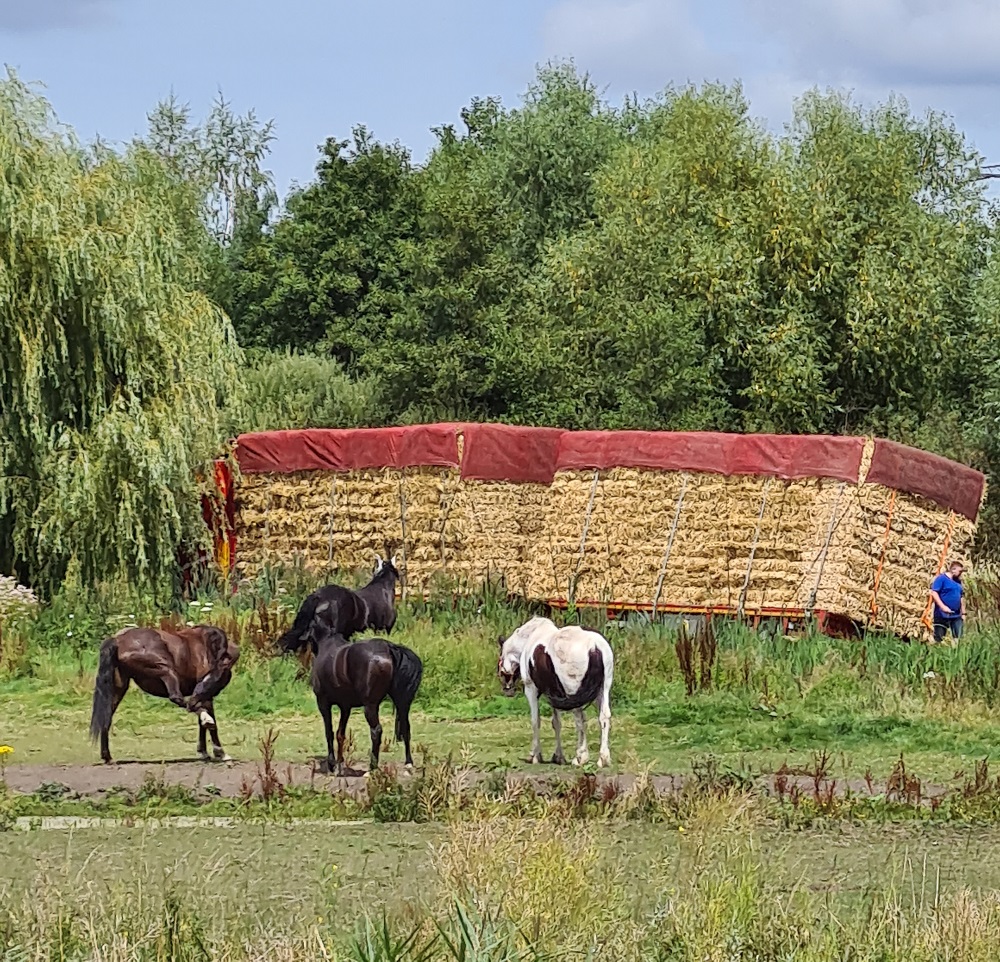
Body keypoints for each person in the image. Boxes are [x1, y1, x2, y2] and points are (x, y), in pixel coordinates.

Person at [929, 560, 966, 643]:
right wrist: (943, 607)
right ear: (953, 570)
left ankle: (956, 653)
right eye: (959, 571)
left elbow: (961, 597)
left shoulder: (958, 582)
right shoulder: (941, 579)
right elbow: (934, 593)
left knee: (959, 638)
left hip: (956, 615)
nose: (961, 573)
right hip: (942, 614)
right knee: (939, 638)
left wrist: (963, 613)